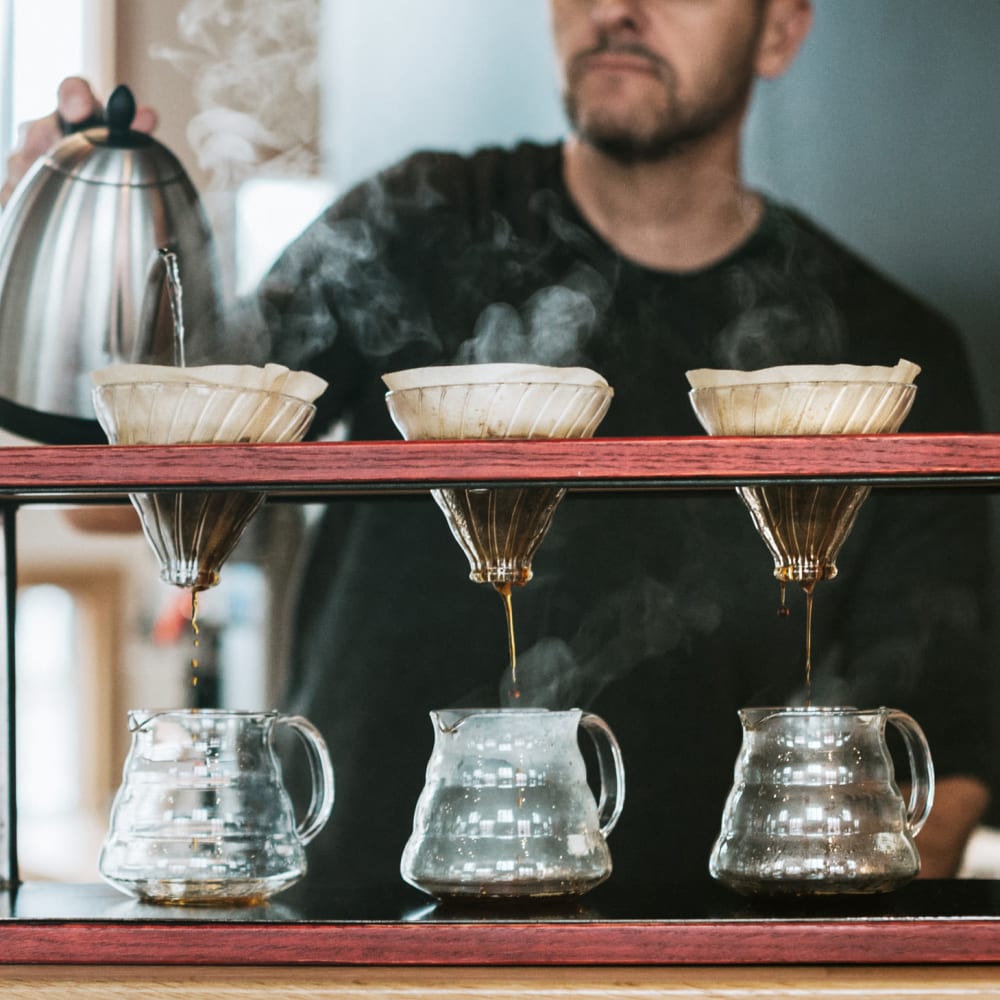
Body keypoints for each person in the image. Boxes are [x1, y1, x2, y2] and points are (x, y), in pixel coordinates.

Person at [5, 0, 992, 889]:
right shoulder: (411, 226)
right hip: (356, 946)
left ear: (779, 30)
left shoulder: (885, 349)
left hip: (696, 965)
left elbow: (940, 769)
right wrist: (66, 259)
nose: (619, 10)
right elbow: (114, 492)